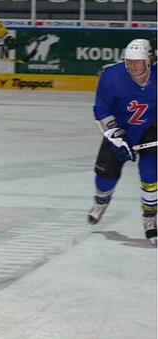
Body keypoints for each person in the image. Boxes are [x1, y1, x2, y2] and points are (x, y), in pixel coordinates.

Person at [89, 39, 156, 246]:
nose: (131, 66)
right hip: (119, 128)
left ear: (150, 60)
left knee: (151, 174)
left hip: (150, 129)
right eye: (128, 61)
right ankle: (101, 201)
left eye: (137, 61)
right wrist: (116, 136)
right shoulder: (112, 76)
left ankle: (150, 217)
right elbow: (102, 109)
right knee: (105, 176)